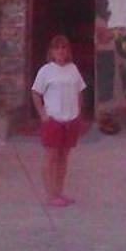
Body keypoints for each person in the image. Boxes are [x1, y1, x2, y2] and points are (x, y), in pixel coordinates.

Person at [30, 34, 88, 207]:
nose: (61, 51)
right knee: (51, 156)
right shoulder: (46, 71)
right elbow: (35, 93)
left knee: (63, 157)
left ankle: (59, 192)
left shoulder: (73, 69)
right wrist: (42, 114)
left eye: (64, 48)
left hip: (70, 119)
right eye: (57, 48)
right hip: (53, 120)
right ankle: (50, 194)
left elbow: (79, 92)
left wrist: (79, 114)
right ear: (52, 52)